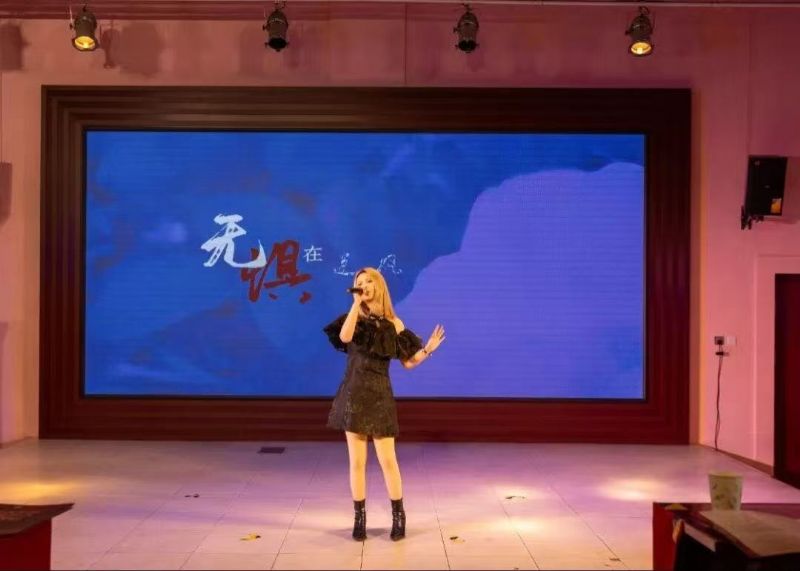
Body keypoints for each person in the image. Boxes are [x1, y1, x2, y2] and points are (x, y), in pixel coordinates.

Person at [323, 267, 445, 541]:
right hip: (353, 395)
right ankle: (359, 519)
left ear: (378, 285)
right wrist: (355, 305)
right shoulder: (353, 319)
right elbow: (344, 337)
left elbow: (409, 362)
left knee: (388, 461)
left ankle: (399, 516)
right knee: (357, 462)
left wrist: (428, 349)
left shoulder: (394, 324)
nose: (363, 285)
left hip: (380, 396)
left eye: (368, 281)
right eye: (359, 282)